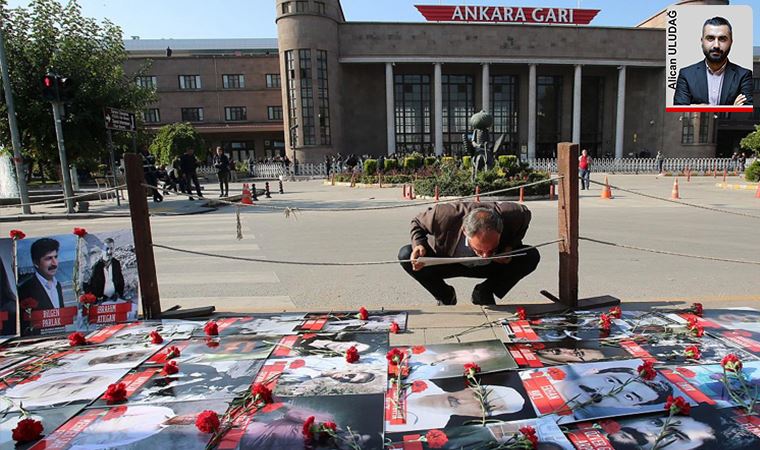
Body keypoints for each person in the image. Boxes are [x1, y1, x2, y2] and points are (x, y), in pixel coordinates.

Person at [399, 202, 539, 306]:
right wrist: (419, 245)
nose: (484, 255)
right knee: (406, 255)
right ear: (465, 231)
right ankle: (445, 295)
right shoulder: (443, 215)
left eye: (490, 249)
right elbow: (417, 222)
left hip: (491, 266)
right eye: (479, 250)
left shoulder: (513, 214)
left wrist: (508, 246)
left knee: (530, 256)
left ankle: (484, 292)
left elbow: (525, 217)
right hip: (447, 262)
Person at [673, 17, 753, 106]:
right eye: (710, 38)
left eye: (722, 39)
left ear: (731, 42)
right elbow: (679, 108)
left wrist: (694, 107)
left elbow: (746, 111)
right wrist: (732, 108)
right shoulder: (686, 75)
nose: (716, 45)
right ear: (702, 41)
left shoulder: (744, 75)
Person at [392, 379, 527, 432]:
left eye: (482, 407)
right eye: (476, 394)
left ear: (480, 416)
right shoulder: (422, 382)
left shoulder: (430, 431)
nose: (465, 401)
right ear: (471, 388)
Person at [17, 238, 64, 311]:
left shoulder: (57, 285)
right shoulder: (25, 289)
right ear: (36, 263)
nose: (54, 263)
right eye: (48, 258)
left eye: (56, 257)